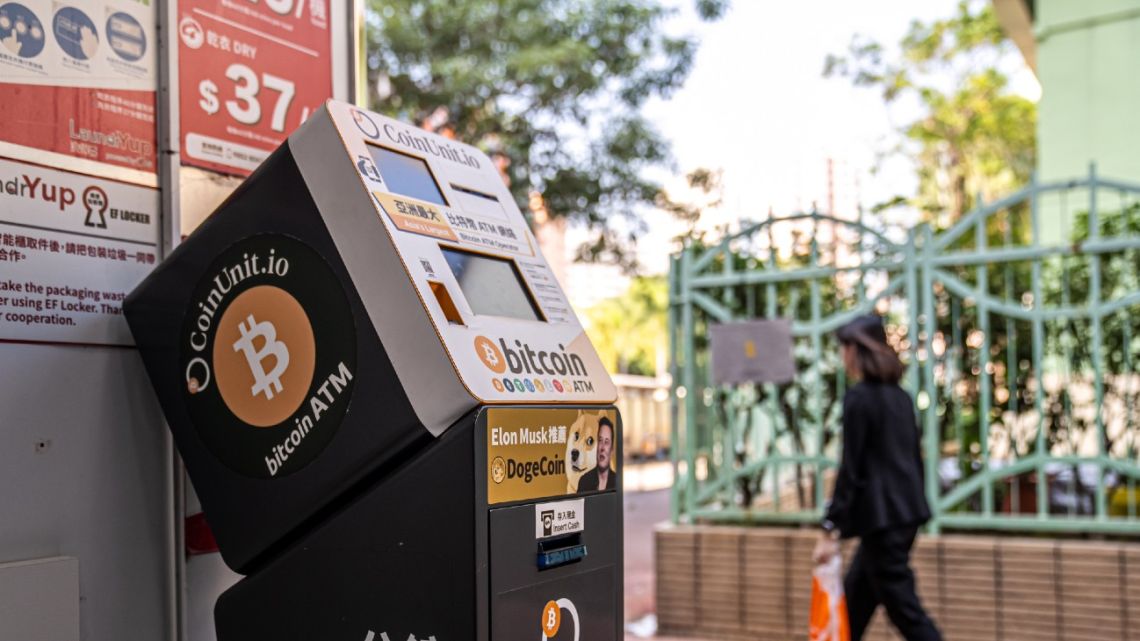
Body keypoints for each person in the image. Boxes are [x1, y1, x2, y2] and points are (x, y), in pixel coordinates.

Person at [812, 315, 942, 641]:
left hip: (883, 523)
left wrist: (830, 528)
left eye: (844, 348)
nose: (843, 357)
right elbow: (912, 461)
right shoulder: (900, 397)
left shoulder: (860, 398)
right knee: (855, 605)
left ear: (857, 350)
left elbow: (851, 470)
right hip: (903, 517)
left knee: (906, 612)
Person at [577, 416, 616, 492]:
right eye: (600, 440)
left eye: (607, 442)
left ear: (612, 450)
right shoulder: (584, 481)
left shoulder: (617, 482)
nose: (602, 448)